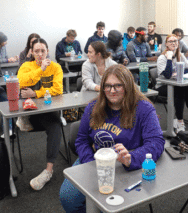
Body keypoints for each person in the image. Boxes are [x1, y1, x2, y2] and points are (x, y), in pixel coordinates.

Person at [60, 64, 165, 212]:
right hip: (95, 161)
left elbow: (157, 142)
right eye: (107, 86)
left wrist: (131, 158)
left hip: (125, 165)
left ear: (128, 86)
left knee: (111, 205)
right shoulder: (93, 107)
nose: (112, 91)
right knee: (68, 198)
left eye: (117, 86)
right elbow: (82, 140)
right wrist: (91, 163)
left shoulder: (144, 109)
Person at [17, 38, 63, 191]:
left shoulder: (56, 67)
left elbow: (58, 90)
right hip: (31, 111)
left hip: (47, 110)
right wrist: (40, 70)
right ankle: (23, 118)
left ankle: (48, 171)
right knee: (23, 93)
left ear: (47, 51)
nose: (40, 54)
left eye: (43, 51)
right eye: (36, 51)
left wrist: (36, 93)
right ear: (31, 52)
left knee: (56, 124)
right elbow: (21, 82)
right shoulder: (26, 66)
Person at [157, 34, 188, 133]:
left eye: (175, 41)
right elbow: (167, 75)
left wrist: (179, 73)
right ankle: (179, 121)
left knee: (187, 89)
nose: (173, 43)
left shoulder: (180, 55)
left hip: (176, 84)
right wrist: (169, 58)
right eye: (171, 41)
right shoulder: (162, 58)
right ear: (166, 44)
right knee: (180, 89)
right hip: (163, 86)